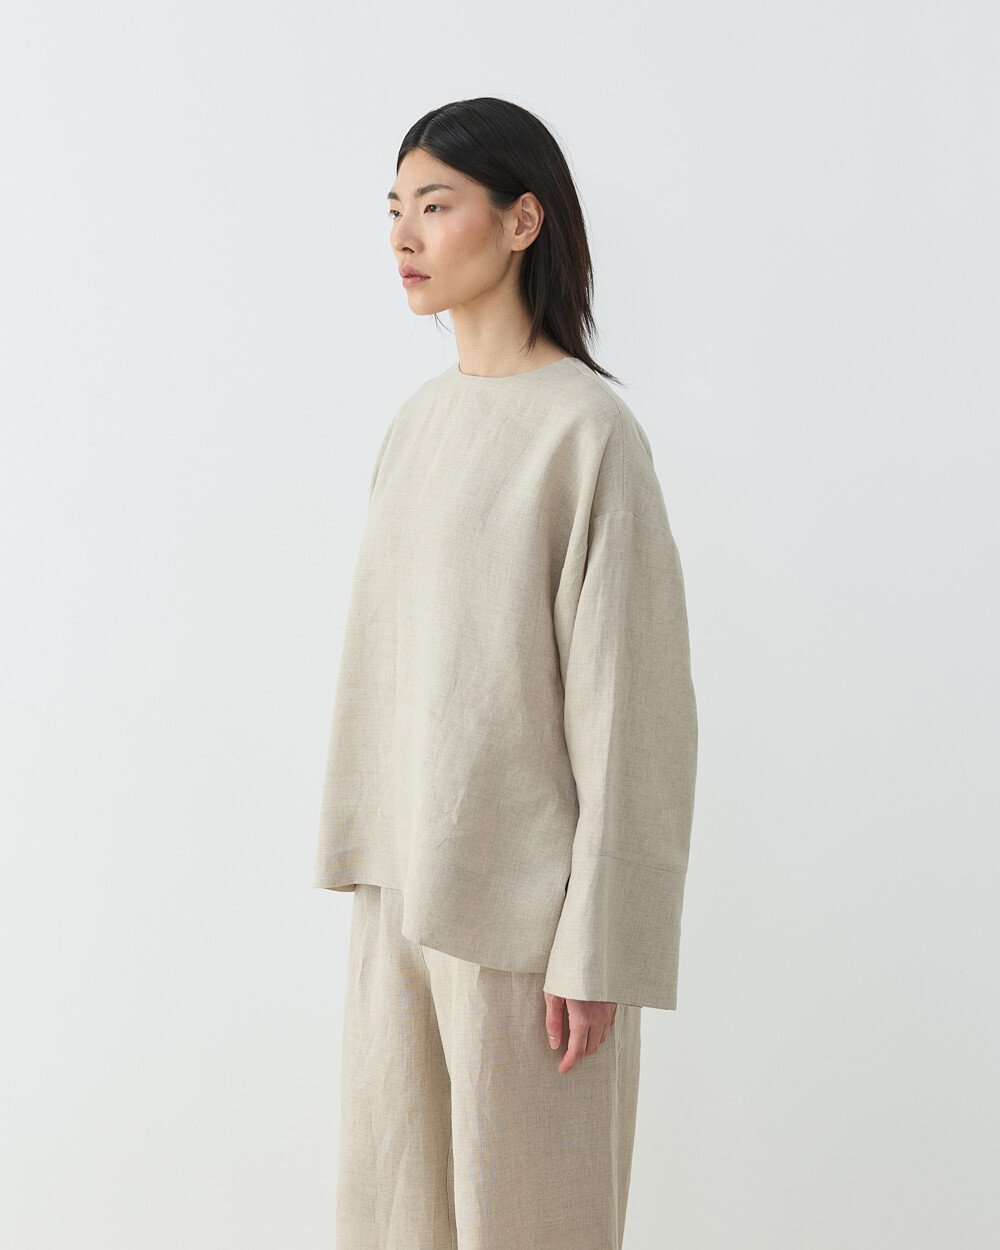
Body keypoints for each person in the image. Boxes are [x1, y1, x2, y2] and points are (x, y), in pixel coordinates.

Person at [313, 97, 699, 1249]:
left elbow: (631, 712)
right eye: (394, 209)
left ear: (523, 220)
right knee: (395, 1217)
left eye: (435, 206)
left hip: (526, 925)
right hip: (402, 896)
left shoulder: (588, 433)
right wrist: (368, 860)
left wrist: (600, 942)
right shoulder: (416, 424)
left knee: (533, 1222)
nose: (404, 236)